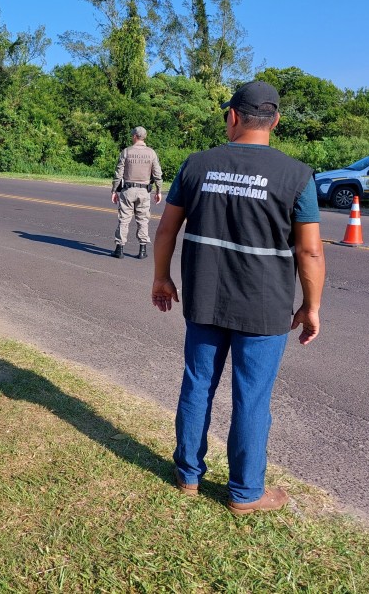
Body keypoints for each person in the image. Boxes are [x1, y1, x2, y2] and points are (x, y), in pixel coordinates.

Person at [151, 80, 325, 515]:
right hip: (265, 308)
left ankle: (188, 475)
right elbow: (310, 250)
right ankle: (245, 493)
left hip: (205, 299)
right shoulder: (297, 176)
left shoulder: (196, 165)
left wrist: (162, 279)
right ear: (276, 121)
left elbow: (167, 229)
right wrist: (311, 307)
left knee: (197, 384)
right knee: (252, 397)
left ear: (232, 116)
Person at [111, 126, 163, 259]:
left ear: (135, 136)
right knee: (143, 220)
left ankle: (120, 249)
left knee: (124, 219)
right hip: (144, 191)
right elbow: (157, 174)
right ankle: (142, 250)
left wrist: (114, 190)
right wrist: (159, 190)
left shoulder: (126, 152)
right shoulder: (151, 153)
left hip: (128, 190)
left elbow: (119, 173)